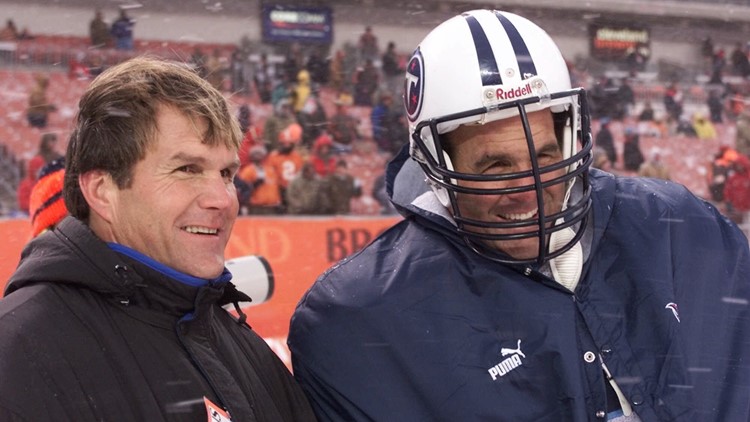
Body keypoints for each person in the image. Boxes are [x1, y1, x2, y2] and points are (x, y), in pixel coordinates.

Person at [288, 9, 750, 422]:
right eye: (495, 166)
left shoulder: (678, 226)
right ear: (434, 165)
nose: (528, 190)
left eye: (546, 156)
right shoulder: (364, 325)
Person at [0, 57, 315, 421]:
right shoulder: (19, 357)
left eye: (226, 173)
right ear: (103, 191)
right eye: (187, 170)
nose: (223, 199)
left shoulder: (241, 346)